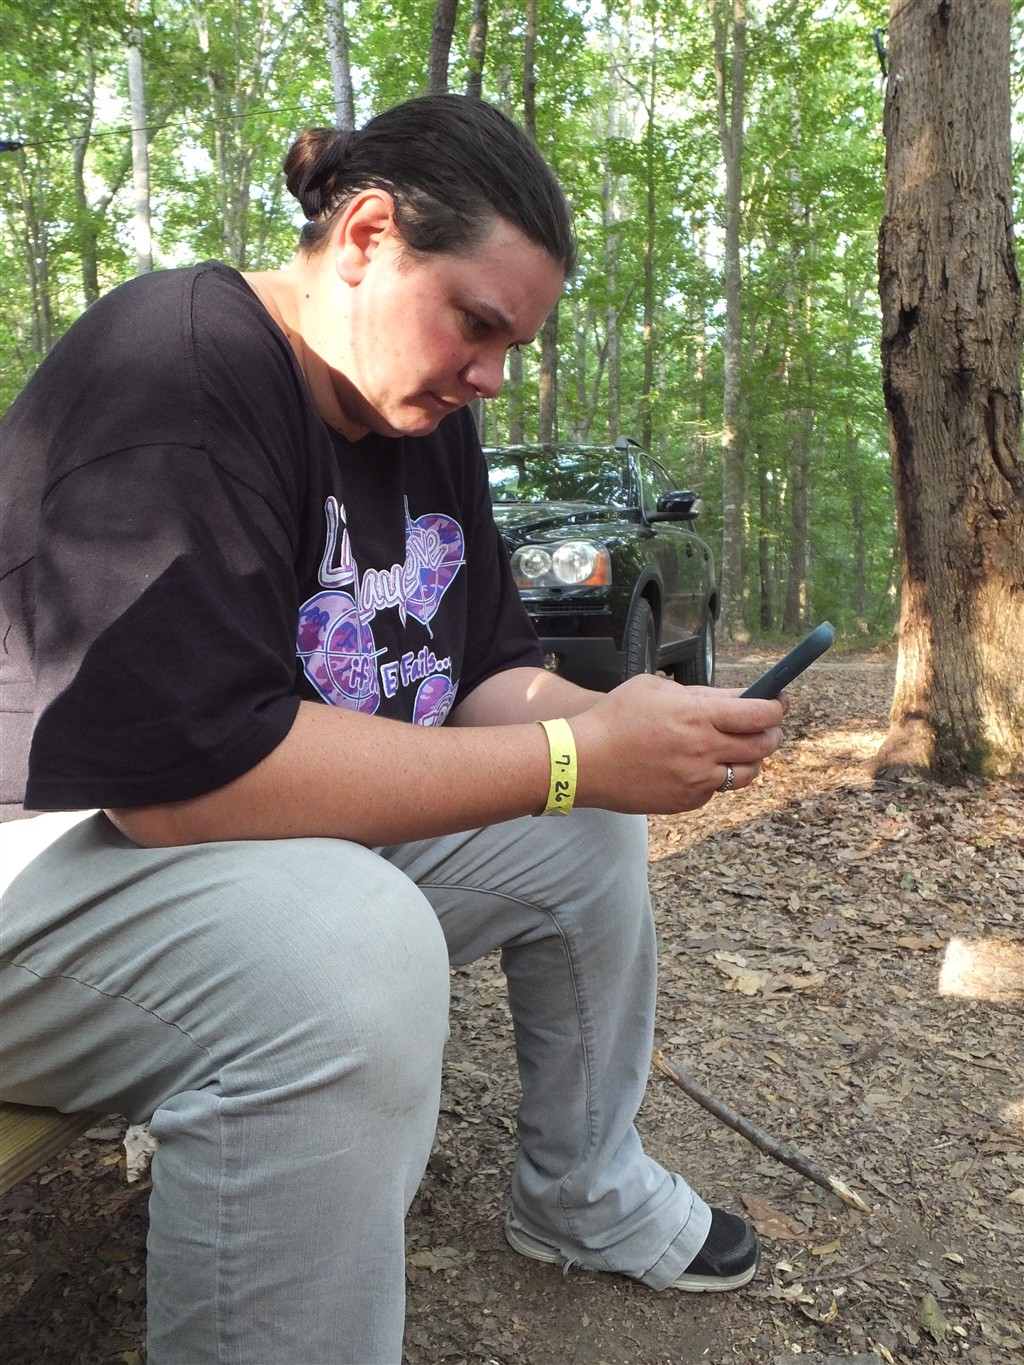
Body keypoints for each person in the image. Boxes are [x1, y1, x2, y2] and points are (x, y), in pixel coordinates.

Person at [0, 93, 786, 1365]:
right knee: (348, 957)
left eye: (511, 346)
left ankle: (581, 1192)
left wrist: (629, 732)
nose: (491, 374)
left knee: (582, 831)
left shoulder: (423, 420)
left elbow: (485, 675)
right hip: (43, 849)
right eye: (476, 323)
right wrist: (575, 756)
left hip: (211, 857)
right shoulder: (181, 365)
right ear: (366, 236)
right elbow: (180, 783)